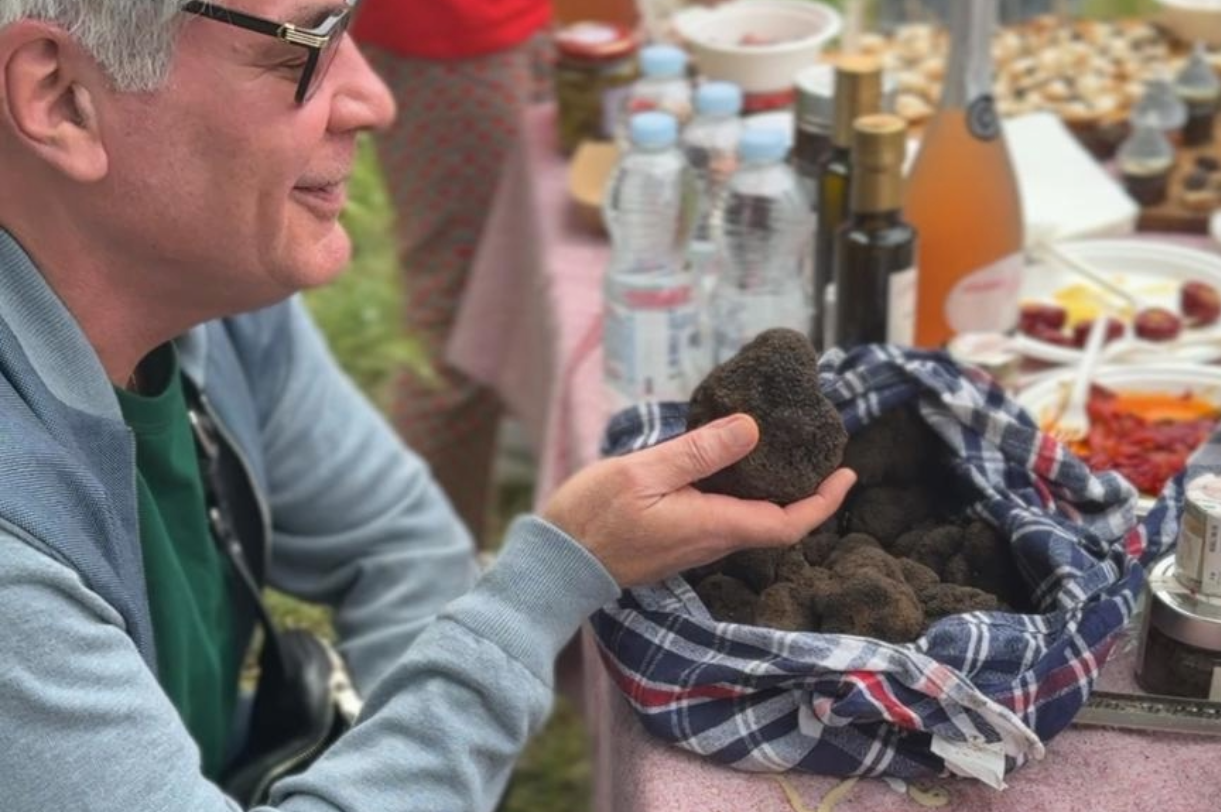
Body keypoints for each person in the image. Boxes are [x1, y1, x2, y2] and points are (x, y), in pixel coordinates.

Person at [0, 2, 856, 810]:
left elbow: (402, 545)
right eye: (303, 45)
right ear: (61, 98)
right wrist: (546, 584)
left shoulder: (200, 303)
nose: (373, 100)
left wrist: (393, 780)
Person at [352, 0, 552, 541]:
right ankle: (426, 563)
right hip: (446, 36)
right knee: (461, 322)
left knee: (536, 266)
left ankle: (510, 449)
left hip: (505, 25)